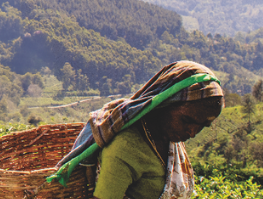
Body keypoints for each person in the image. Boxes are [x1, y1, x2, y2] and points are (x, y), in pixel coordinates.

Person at [49, 61, 224, 199]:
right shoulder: (126, 147)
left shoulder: (168, 136)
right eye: (187, 120)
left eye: (202, 126)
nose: (192, 132)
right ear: (165, 103)